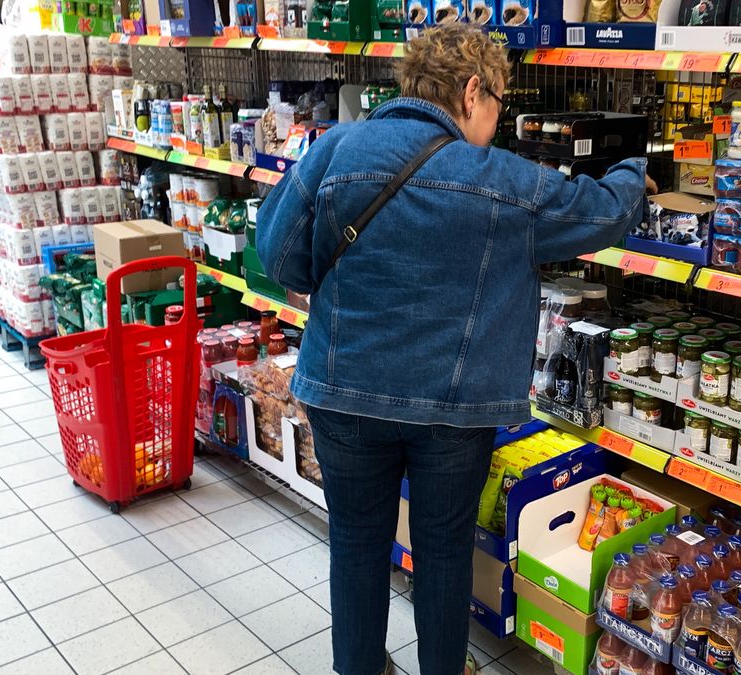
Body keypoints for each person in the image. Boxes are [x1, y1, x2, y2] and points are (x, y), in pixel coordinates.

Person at [256, 24, 655, 675]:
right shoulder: (503, 181)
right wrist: (635, 162)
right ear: (472, 91)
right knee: (442, 550)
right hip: (453, 410)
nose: (497, 121)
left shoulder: (336, 149)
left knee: (357, 543)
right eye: (498, 102)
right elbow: (604, 213)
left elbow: (278, 255)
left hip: (342, 391)